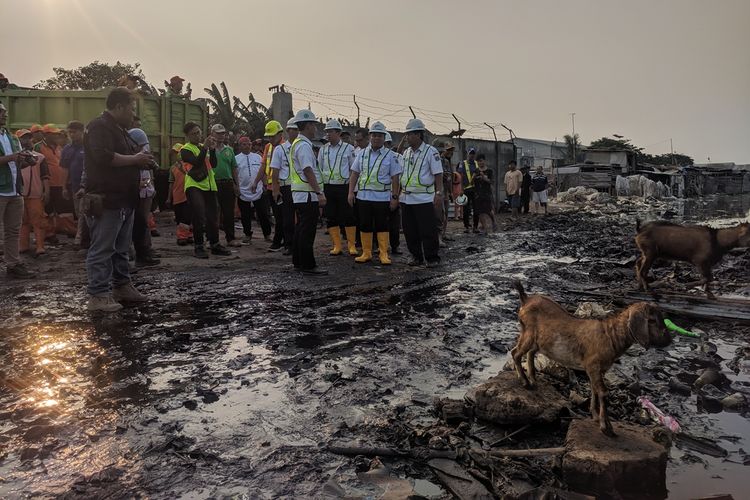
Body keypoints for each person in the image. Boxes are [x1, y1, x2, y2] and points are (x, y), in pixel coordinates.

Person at [83, 87, 154, 311]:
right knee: (103, 248)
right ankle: (97, 295)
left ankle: (122, 286)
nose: (133, 114)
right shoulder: (98, 127)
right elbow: (103, 157)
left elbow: (130, 156)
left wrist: (141, 160)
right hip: (107, 199)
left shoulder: (120, 129)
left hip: (125, 199)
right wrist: (135, 159)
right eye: (131, 109)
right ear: (119, 106)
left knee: (122, 247)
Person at [348, 122, 402, 265]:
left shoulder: (390, 156)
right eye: (374, 135)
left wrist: (395, 197)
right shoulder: (362, 153)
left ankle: (383, 254)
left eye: (379, 136)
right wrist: (350, 193)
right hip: (363, 197)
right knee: (364, 225)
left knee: (382, 225)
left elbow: (395, 178)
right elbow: (354, 174)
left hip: (382, 198)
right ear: (370, 137)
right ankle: (366, 253)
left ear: (384, 138)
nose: (376, 138)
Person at [180, 122, 232, 259]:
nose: (197, 136)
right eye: (194, 134)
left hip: (209, 185)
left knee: (213, 217)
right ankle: (199, 246)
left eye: (198, 132)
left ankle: (214, 244)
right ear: (187, 136)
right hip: (194, 185)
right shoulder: (185, 149)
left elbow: (213, 164)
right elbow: (196, 162)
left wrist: (213, 150)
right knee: (199, 215)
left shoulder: (204, 148)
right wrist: (205, 148)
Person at [399, 118, 443, 267]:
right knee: (410, 230)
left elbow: (438, 174)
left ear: (418, 135)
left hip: (424, 198)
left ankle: (432, 258)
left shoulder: (431, 152)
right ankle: (416, 256)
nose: (407, 137)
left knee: (427, 229)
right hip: (406, 198)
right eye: (406, 134)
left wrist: (438, 193)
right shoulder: (406, 153)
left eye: (410, 134)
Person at [289, 109, 327, 275]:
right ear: (308, 126)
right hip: (307, 194)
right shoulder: (303, 146)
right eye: (314, 125)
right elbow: (308, 170)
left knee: (300, 229)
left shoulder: (296, 144)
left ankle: (298, 261)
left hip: (299, 194)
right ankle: (308, 264)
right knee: (307, 230)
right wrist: (319, 192)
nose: (316, 129)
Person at [1, 109, 36, 278]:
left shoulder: (11, 137)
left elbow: (16, 164)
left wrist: (26, 160)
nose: (5, 115)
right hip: (1, 190)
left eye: (5, 112)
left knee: (13, 230)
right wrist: (12, 157)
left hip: (15, 189)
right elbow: (10, 159)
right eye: (1, 112)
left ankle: (13, 264)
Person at [319, 119, 357, 256]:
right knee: (331, 217)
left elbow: (354, 170)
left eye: (331, 131)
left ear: (338, 133)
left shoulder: (349, 148)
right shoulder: (323, 150)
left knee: (349, 216)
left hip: (344, 187)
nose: (328, 134)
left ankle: (351, 245)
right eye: (327, 131)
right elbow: (319, 169)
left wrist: (352, 190)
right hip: (328, 187)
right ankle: (337, 246)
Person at [127, 127, 160, 266]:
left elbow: (153, 168)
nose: (142, 149)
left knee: (142, 222)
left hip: (145, 190)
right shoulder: (126, 156)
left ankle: (145, 251)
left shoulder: (143, 151)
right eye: (140, 146)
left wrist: (151, 185)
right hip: (132, 191)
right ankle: (129, 252)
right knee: (129, 224)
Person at [17, 129, 50, 257]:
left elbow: (45, 176)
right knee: (22, 221)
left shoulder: (40, 157)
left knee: (38, 220)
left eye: (28, 138)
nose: (26, 140)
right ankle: (23, 246)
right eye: (23, 138)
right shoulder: (15, 157)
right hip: (19, 194)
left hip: (35, 194)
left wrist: (46, 191)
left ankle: (40, 246)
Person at [36, 123, 70, 241]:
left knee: (64, 210)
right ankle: (49, 234)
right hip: (47, 184)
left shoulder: (60, 147)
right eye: (54, 134)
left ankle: (67, 229)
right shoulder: (38, 147)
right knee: (48, 210)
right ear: (46, 135)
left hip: (60, 183)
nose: (57, 135)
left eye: (57, 133)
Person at [268, 118, 297, 256]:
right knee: (287, 218)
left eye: (296, 130)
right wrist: (275, 189)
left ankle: (298, 243)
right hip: (286, 188)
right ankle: (289, 244)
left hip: (300, 187)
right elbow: (275, 171)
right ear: (287, 131)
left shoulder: (303, 146)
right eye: (292, 130)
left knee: (301, 218)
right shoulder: (280, 149)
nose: (294, 132)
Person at [210, 123, 241, 247]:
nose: (221, 135)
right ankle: (212, 239)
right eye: (218, 133)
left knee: (228, 213)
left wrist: (236, 184)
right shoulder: (207, 150)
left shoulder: (229, 150)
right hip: (213, 184)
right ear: (212, 134)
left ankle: (230, 238)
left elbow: (234, 168)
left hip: (227, 184)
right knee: (213, 213)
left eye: (223, 133)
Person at [236, 136, 272, 241]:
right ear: (240, 146)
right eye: (244, 144)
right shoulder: (236, 159)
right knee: (245, 215)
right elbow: (234, 175)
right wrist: (236, 188)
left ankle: (267, 235)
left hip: (258, 190)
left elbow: (263, 172)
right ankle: (247, 234)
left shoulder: (258, 157)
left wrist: (265, 185)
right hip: (243, 191)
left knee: (263, 214)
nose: (247, 146)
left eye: (249, 144)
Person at [60, 120, 89, 248]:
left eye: (74, 132)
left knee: (85, 213)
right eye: (70, 132)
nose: (72, 135)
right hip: (75, 186)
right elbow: (65, 169)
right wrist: (64, 187)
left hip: (90, 186)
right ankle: (84, 238)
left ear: (82, 131)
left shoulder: (90, 147)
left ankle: (80, 239)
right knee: (79, 213)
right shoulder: (67, 149)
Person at [261, 120, 286, 251]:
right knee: (277, 215)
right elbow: (264, 165)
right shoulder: (268, 147)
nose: (270, 139)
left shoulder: (285, 147)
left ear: (280, 134)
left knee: (282, 216)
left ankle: (279, 242)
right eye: (269, 136)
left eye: (273, 136)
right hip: (271, 187)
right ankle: (282, 241)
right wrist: (257, 181)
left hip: (281, 187)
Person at [166, 143, 193, 246]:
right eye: (174, 153)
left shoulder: (189, 166)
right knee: (179, 217)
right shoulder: (172, 168)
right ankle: (185, 235)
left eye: (177, 153)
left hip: (188, 195)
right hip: (177, 196)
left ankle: (184, 236)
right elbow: (171, 183)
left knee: (187, 216)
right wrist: (169, 198)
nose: (176, 155)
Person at [384, 131, 402, 255]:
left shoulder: (397, 157)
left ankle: (394, 246)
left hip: (393, 193)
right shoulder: (373, 156)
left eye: (387, 143)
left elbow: (400, 177)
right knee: (381, 223)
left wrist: (397, 195)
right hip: (381, 194)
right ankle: (382, 246)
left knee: (394, 224)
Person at [456, 148, 478, 233]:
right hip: (466, 189)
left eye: (473, 154)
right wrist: (461, 189)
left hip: (475, 189)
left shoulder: (476, 164)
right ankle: (466, 227)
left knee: (476, 209)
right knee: (466, 209)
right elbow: (460, 176)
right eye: (470, 153)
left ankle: (475, 227)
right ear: (468, 154)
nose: (472, 155)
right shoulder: (463, 163)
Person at [473, 154, 494, 233]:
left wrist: (484, 178)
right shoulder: (476, 170)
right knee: (480, 211)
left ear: (484, 161)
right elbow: (472, 181)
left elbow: (491, 181)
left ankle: (493, 221)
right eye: (478, 161)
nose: (480, 163)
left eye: (481, 161)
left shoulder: (489, 171)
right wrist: (474, 177)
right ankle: (485, 227)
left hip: (487, 193)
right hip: (478, 193)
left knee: (488, 210)